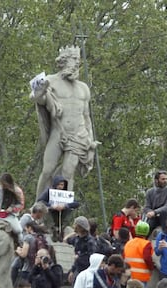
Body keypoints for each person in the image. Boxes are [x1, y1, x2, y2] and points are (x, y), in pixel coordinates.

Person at [32, 45, 96, 196]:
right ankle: (38, 204)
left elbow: (87, 117)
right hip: (58, 132)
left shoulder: (83, 88)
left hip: (78, 136)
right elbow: (38, 99)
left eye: (78, 60)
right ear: (63, 61)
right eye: (73, 59)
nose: (76, 64)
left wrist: (91, 142)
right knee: (47, 170)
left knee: (68, 172)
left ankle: (62, 206)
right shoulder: (50, 80)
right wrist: (39, 92)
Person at [142, 169, 167, 234]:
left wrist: (154, 212)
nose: (165, 181)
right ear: (157, 180)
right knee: (146, 229)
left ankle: (166, 237)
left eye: (166, 179)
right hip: (153, 217)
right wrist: (150, 212)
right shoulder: (150, 192)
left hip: (166, 216)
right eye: (163, 179)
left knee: (164, 216)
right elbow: (146, 207)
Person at [123, 220, 154, 284]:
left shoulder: (128, 243)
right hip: (141, 276)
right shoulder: (146, 244)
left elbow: (123, 256)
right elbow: (147, 258)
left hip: (129, 275)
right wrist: (151, 268)